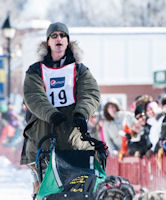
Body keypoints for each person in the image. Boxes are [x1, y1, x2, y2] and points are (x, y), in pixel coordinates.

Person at [20, 22, 100, 198]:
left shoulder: (80, 70)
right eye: (54, 35)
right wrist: (52, 114)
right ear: (47, 42)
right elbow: (34, 96)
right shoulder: (35, 71)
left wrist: (81, 113)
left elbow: (90, 93)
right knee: (44, 192)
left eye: (63, 35)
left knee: (76, 191)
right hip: (42, 140)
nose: (59, 39)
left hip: (73, 139)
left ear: (68, 41)